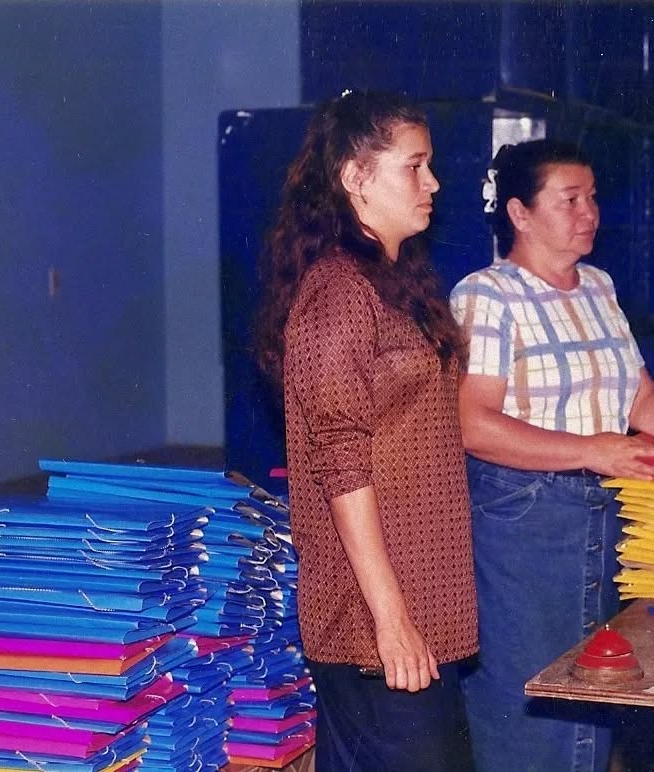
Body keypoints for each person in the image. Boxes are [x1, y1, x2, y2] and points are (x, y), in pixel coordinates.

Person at [449, 139, 654, 772]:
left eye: (593, 197)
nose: (589, 212)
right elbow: (473, 424)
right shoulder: (487, 296)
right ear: (519, 214)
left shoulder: (597, 286)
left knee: (600, 680)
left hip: (605, 503)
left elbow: (640, 397)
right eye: (570, 199)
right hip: (523, 514)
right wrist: (593, 449)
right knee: (528, 690)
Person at [254, 90, 476, 771]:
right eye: (414, 166)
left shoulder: (389, 281)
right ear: (354, 176)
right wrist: (390, 619)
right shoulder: (338, 294)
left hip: (413, 598)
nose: (432, 182)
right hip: (370, 618)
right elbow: (340, 465)